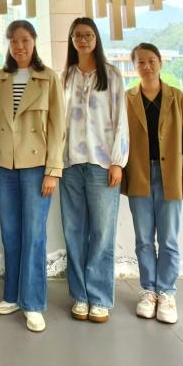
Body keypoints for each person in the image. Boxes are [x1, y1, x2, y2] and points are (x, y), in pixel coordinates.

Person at [0, 19, 65, 333]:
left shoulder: (48, 77)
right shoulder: (1, 77)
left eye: (25, 40)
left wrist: (53, 171)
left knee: (34, 235)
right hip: (5, 165)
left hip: (37, 167)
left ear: (34, 42)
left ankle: (33, 303)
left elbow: (58, 126)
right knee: (10, 233)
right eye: (14, 41)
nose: (19, 46)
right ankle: (12, 295)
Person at [60, 17, 129, 324]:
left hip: (102, 165)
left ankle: (99, 298)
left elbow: (121, 120)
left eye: (88, 35)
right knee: (74, 231)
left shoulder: (111, 75)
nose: (83, 40)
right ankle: (80, 295)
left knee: (102, 233)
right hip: (70, 164)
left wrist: (117, 161)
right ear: (72, 40)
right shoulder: (65, 76)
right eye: (77, 35)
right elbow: (58, 122)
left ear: (96, 38)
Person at [124, 42, 183, 325]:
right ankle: (149, 291)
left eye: (151, 60)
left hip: (170, 175)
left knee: (168, 239)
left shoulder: (177, 98)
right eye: (140, 62)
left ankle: (167, 293)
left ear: (160, 63)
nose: (147, 66)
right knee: (143, 239)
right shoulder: (127, 98)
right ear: (134, 66)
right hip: (139, 173)